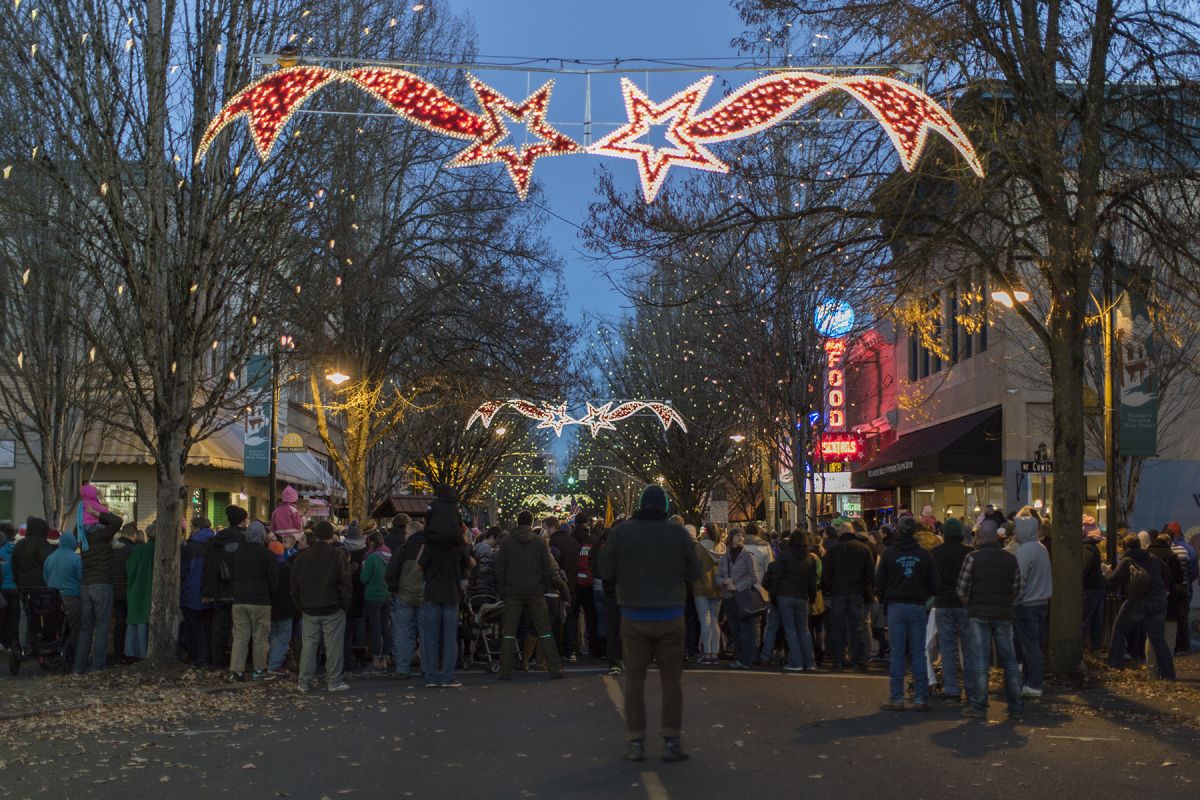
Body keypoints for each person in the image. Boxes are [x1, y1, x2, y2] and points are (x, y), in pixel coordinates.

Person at [599, 485, 700, 763]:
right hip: (670, 614)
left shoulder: (622, 532)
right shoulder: (677, 533)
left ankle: (636, 741)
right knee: (671, 681)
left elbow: (606, 570)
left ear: (641, 504)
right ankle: (671, 739)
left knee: (634, 681)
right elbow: (694, 571)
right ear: (666, 506)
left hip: (634, 615)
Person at [956, 519, 1024, 720]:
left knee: (980, 661)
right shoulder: (1010, 559)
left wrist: (971, 604)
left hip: (979, 613)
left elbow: (961, 589)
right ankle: (1016, 706)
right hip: (1004, 614)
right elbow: (1018, 591)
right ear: (996, 536)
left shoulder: (972, 558)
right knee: (1010, 662)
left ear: (979, 537)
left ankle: (979, 705)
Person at [876, 515, 938, 712]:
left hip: (895, 605)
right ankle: (921, 697)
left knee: (897, 653)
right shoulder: (925, 554)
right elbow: (934, 583)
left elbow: (880, 582)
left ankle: (897, 697)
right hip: (917, 605)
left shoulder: (889, 554)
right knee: (918, 652)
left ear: (898, 531)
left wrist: (886, 596)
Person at [494, 510, 565, 680]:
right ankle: (555, 669)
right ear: (531, 523)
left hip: (512, 591)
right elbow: (548, 567)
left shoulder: (507, 542)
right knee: (544, 630)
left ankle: (505, 669)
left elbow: (498, 567)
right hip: (535, 591)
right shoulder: (539, 542)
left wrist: (502, 588)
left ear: (517, 522)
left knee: (509, 631)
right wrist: (544, 586)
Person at [290, 520, 353, 692]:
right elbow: (345, 582)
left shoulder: (301, 557)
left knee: (309, 646)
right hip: (332, 606)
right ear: (331, 535)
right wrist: (344, 604)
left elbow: (294, 585)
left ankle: (304, 682)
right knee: (333, 646)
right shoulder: (336, 555)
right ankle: (334, 681)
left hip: (309, 606)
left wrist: (300, 605)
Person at [1107, 535, 1174, 680]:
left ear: (1125, 547)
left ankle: (1114, 665)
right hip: (1158, 601)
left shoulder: (1127, 560)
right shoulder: (1153, 558)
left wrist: (1106, 575)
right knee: (1158, 639)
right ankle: (1168, 674)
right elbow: (1168, 572)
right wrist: (1165, 589)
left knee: (1119, 630)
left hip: (1137, 601)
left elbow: (1113, 581)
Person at [419, 510, 473, 689]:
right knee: (450, 638)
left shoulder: (430, 544)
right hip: (451, 593)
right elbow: (471, 563)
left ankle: (431, 676)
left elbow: (419, 566)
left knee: (430, 637)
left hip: (433, 592)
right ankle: (448, 676)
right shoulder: (459, 545)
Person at [74, 493, 123, 674]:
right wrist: (97, 513)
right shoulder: (102, 535)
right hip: (102, 583)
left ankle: (78, 668)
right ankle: (97, 667)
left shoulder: (81, 536)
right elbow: (117, 521)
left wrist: (85, 516)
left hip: (85, 585)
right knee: (102, 627)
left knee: (85, 628)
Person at [228, 521, 278, 682]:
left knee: (240, 636)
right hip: (260, 600)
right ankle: (259, 669)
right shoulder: (267, 555)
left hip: (240, 599)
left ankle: (236, 671)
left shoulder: (237, 553)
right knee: (260, 637)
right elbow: (273, 580)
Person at [822, 520, 875, 672]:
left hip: (838, 593)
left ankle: (839, 661)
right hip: (856, 592)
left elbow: (826, 574)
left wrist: (830, 589)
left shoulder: (832, 550)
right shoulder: (863, 549)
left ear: (840, 533)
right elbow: (870, 574)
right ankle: (856, 661)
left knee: (838, 628)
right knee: (856, 628)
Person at [931, 518, 974, 702]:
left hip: (943, 603)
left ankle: (951, 688)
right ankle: (972, 688)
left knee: (947, 648)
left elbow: (932, 580)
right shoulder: (970, 553)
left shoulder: (935, 553)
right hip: (965, 604)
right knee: (968, 648)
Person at [203, 506, 249, 668]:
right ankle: (239, 662)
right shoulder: (246, 540)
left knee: (219, 628)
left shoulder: (217, 540)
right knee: (241, 629)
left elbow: (210, 567)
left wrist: (208, 591)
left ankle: (217, 660)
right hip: (240, 590)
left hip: (220, 590)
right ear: (243, 520)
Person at [1012, 514, 1052, 698]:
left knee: (1029, 646)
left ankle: (1034, 683)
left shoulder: (1025, 551)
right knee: (1034, 644)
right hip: (1041, 602)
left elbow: (1020, 580)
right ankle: (1029, 681)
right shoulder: (1041, 548)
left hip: (1026, 604)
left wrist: (1014, 599)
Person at [771, 529, 818, 672]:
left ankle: (796, 661)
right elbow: (812, 581)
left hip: (785, 594)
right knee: (804, 629)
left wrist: (773, 595)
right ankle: (809, 662)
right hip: (802, 596)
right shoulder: (810, 558)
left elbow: (776, 577)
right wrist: (812, 597)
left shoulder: (784, 556)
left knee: (790, 630)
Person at [718, 528, 760, 670]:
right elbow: (716, 577)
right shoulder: (725, 557)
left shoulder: (747, 555)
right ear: (731, 538)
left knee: (744, 630)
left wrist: (737, 586)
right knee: (734, 630)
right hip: (728, 598)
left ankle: (746, 659)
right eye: (737, 535)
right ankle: (740, 658)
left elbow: (754, 577)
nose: (741, 537)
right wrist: (724, 581)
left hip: (742, 597)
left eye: (742, 535)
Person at [180, 517, 215, 668]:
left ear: (196, 528)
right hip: (211, 594)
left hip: (192, 593)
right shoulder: (214, 545)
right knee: (207, 628)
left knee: (194, 629)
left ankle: (197, 659)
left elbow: (183, 571)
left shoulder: (190, 548)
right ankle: (207, 658)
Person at [43, 529, 82, 662]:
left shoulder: (50, 558)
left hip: (52, 597)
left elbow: (45, 577)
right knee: (73, 626)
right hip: (72, 597)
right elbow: (81, 578)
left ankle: (54, 647)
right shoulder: (76, 559)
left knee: (56, 623)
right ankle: (71, 651)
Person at [546, 516, 581, 661]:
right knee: (571, 618)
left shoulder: (552, 543)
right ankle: (571, 649)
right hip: (572, 584)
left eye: (546, 528)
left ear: (552, 527)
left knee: (555, 620)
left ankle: (557, 649)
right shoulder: (573, 542)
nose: (546, 532)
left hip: (555, 587)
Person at [359, 530, 392, 675]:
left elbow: (364, 578)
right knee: (386, 628)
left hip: (373, 595)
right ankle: (385, 660)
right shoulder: (390, 555)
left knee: (375, 629)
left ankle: (376, 661)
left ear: (371, 543)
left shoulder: (371, 557)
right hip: (387, 595)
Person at [692, 523, 724, 665]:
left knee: (705, 620)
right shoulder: (722, 547)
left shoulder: (699, 548)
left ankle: (708, 652)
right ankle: (715, 652)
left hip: (701, 587)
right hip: (718, 587)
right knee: (715, 620)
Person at [124, 526, 156, 660]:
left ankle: (134, 652)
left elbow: (129, 570)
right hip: (151, 591)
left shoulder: (137, 550)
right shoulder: (160, 550)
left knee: (136, 622)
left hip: (136, 589)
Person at [1164, 522, 1195, 654]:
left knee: (1173, 619)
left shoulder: (1171, 551)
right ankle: (1185, 646)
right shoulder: (1189, 548)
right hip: (1186, 586)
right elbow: (1193, 571)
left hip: (1174, 589)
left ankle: (1175, 646)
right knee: (1184, 617)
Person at [267, 540, 296, 676]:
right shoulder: (286, 568)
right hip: (285, 607)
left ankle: (273, 660)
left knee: (273, 635)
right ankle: (275, 663)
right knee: (283, 637)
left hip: (270, 606)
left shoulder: (267, 567)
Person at [1081, 522, 1107, 651]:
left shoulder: (1086, 548)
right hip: (1097, 587)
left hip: (1089, 589)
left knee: (1084, 620)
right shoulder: (1092, 547)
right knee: (1096, 621)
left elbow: (1083, 569)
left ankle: (1080, 651)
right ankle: (1094, 649)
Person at [0, 525, 16, 649]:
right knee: (13, 616)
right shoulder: (17, 551)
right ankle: (12, 642)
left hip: (3, 588)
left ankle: (3, 641)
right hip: (15, 587)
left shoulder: (1, 553)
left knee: (3, 617)